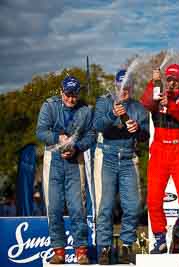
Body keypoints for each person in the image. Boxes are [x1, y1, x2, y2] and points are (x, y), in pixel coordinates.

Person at [140, 64, 179, 254]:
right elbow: (146, 103)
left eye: (175, 79)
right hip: (159, 150)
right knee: (154, 199)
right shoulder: (158, 93)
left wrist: (170, 105)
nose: (171, 82)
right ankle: (159, 239)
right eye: (169, 79)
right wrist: (154, 82)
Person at [36, 76, 95, 264]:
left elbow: (92, 135)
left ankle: (81, 251)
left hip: (75, 161)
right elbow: (40, 131)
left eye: (75, 95)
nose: (71, 99)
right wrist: (58, 137)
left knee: (78, 208)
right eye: (68, 95)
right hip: (52, 160)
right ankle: (58, 251)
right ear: (61, 91)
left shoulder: (85, 110)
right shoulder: (49, 106)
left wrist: (76, 147)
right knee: (53, 207)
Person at [93, 69, 149, 264]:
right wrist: (111, 114)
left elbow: (145, 136)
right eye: (119, 86)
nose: (123, 91)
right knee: (105, 206)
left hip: (128, 157)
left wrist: (138, 130)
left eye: (126, 87)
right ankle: (105, 249)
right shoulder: (104, 101)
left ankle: (126, 246)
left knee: (133, 206)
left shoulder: (138, 108)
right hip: (106, 155)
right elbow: (97, 125)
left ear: (131, 87)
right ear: (115, 85)